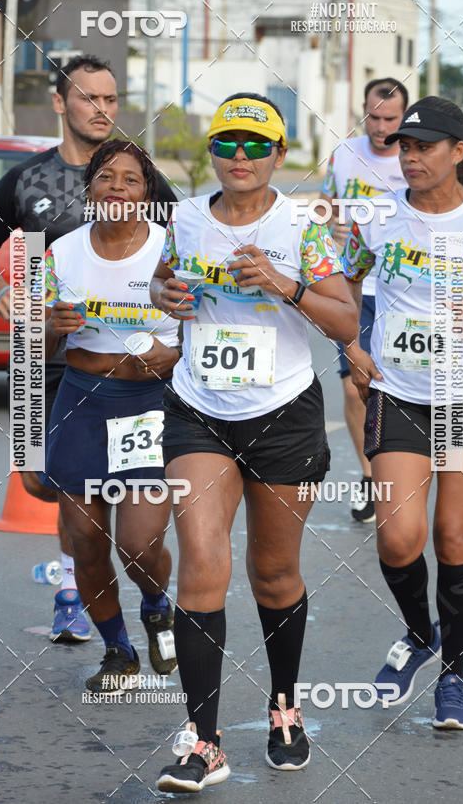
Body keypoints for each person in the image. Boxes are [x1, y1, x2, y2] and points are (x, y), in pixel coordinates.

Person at [149, 92, 358, 792]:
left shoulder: (301, 225)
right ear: (213, 151)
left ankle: (283, 708)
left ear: (277, 153)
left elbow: (347, 322)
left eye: (254, 145)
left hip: (283, 412)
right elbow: (163, 283)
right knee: (201, 562)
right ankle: (204, 740)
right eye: (227, 144)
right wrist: (166, 296)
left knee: (274, 573)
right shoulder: (183, 216)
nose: (239, 157)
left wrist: (283, 284)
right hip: (197, 409)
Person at [0, 55, 177, 642]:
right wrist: (5, 291)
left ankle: (70, 595)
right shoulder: (28, 180)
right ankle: (76, 578)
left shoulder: (146, 180)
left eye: (111, 99)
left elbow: (182, 260)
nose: (102, 109)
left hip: (127, 369)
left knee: (110, 504)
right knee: (42, 485)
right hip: (44, 358)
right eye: (90, 98)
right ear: (62, 103)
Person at [342, 97, 463, 730]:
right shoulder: (377, 217)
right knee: (398, 536)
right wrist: (351, 342)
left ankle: (452, 675)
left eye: (424, 146)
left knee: (454, 537)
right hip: (399, 392)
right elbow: (340, 281)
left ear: (457, 152)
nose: (410, 156)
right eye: (404, 146)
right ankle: (419, 633)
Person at [44, 139, 180, 687]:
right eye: (106, 177)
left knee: (139, 544)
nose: (117, 187)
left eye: (130, 179)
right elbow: (27, 344)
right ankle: (118, 651)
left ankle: (155, 604)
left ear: (146, 192)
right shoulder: (60, 252)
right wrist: (49, 325)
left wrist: (170, 357)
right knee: (86, 542)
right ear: (90, 187)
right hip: (80, 401)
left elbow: (203, 334)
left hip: (148, 406)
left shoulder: (171, 251)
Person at [321, 77, 408, 522]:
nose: (380, 127)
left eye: (390, 119)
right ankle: (370, 475)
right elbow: (325, 205)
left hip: (405, 290)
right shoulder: (344, 154)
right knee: (355, 387)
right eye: (373, 117)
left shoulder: (414, 157)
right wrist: (329, 223)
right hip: (353, 287)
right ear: (363, 110)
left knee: (397, 390)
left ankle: (407, 469)